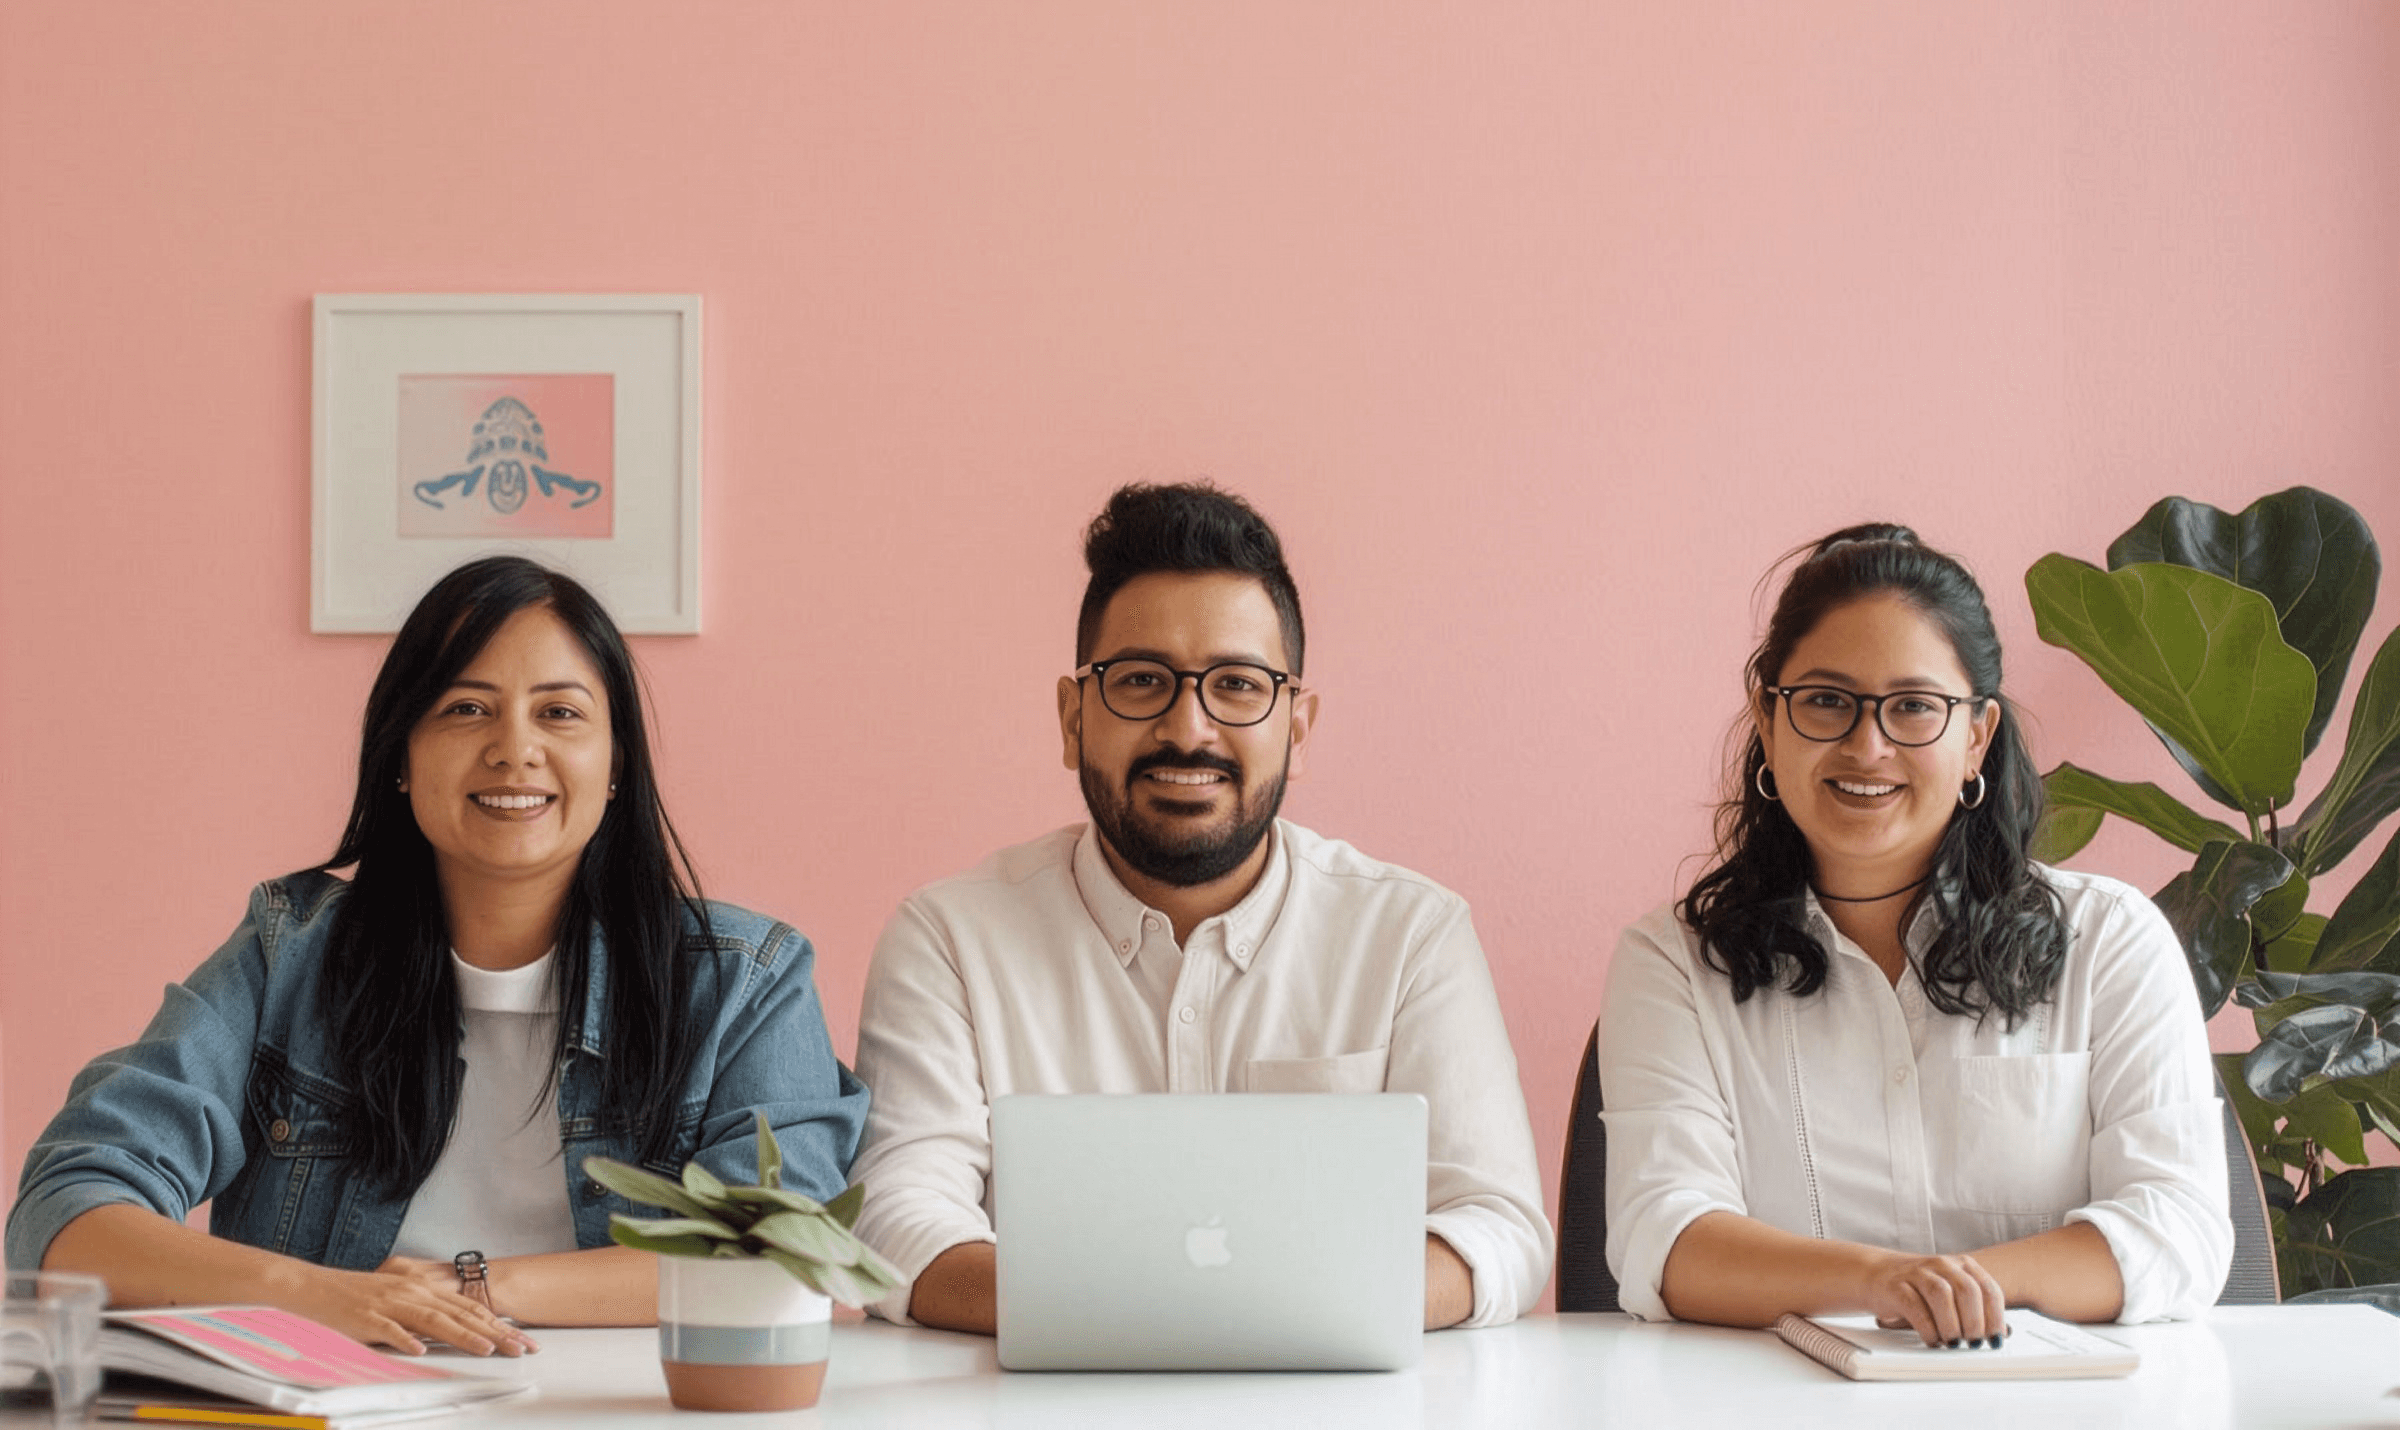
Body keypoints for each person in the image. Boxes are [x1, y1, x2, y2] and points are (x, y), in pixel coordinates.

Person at [7, 557, 868, 1354]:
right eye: (465, 708)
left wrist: (474, 1289)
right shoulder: (285, 955)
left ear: (615, 767)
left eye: (560, 712)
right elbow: (67, 1206)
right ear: (401, 761)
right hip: (343, 1402)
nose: (513, 748)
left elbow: (788, 1254)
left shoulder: (745, 980)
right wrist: (314, 1294)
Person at [849, 482, 1551, 1334]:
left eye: (1238, 684)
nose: (1189, 727)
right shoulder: (950, 940)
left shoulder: (1410, 935)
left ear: (1297, 724)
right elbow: (895, 1226)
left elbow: (1497, 1228)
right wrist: (1167, 1315)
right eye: (1142, 681)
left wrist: (1252, 1315)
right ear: (1073, 718)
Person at [1597, 524, 2232, 1347]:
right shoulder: (1675, 964)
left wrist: (1950, 1292)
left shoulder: (2111, 943)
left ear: (1976, 736)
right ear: (1768, 716)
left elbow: (2177, 1226)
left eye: (1914, 708)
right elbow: (1667, 1239)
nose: (1869, 745)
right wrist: (1885, 1279)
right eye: (1826, 700)